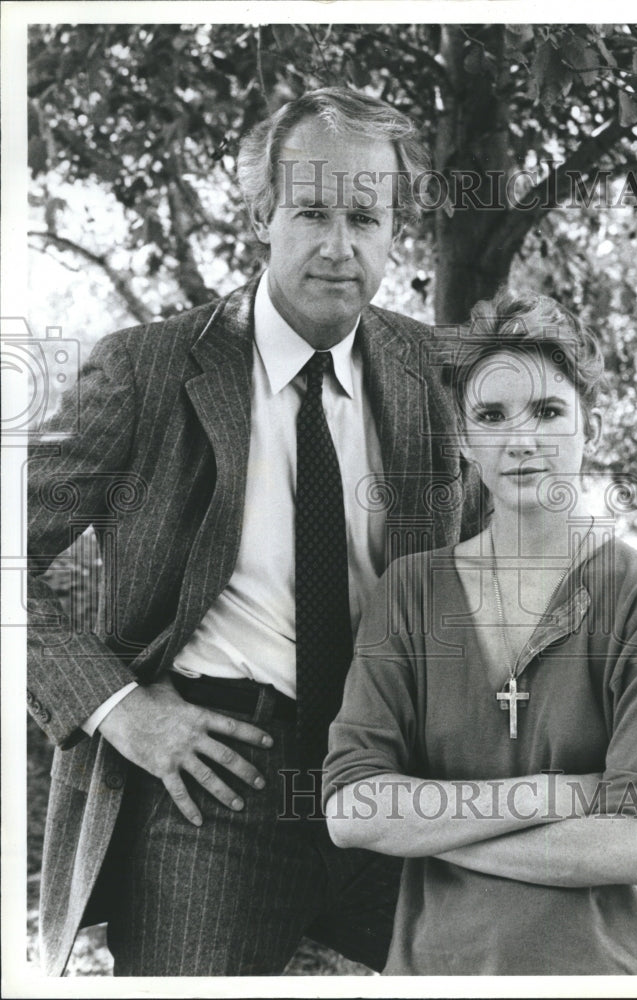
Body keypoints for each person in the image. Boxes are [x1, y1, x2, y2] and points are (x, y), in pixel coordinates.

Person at [26, 87, 480, 976]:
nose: (338, 245)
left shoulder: (437, 373)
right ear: (259, 219)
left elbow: (506, 563)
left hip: (400, 773)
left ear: (396, 233)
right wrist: (122, 711)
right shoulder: (147, 369)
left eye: (365, 217)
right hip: (219, 778)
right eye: (310, 211)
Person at [323, 288, 637, 975]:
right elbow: (352, 810)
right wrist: (556, 793)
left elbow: (634, 847)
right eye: (491, 416)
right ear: (463, 439)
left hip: (618, 966)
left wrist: (423, 830)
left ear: (591, 427)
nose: (521, 439)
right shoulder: (410, 593)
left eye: (548, 411)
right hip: (445, 967)